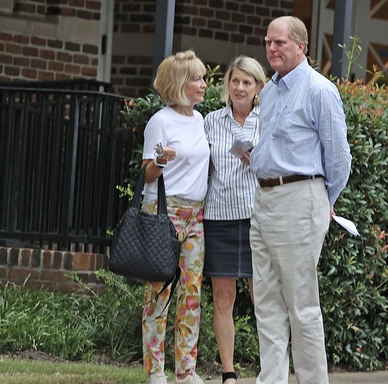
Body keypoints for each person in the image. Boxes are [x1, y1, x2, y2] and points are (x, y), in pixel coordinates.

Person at [249, 16, 352, 384]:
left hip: (300, 198)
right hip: (263, 200)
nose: (271, 49)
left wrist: (324, 201)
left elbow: (339, 160)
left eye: (279, 43)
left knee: (302, 306)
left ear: (301, 46)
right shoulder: (272, 90)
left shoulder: (319, 90)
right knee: (266, 303)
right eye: (268, 42)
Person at [140, 50, 210, 384]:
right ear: (180, 83)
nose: (204, 84)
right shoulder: (160, 122)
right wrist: (162, 161)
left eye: (204, 78)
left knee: (192, 292)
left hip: (196, 214)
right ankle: (155, 371)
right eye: (197, 78)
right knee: (159, 292)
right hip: (163, 212)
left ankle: (187, 371)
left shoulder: (199, 120)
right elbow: (148, 175)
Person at [203, 56, 267, 384]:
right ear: (227, 84)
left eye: (248, 82)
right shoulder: (211, 121)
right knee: (223, 297)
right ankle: (228, 372)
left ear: (258, 88)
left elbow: (283, 169)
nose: (240, 87)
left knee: (263, 297)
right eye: (235, 80)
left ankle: (270, 369)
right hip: (219, 218)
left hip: (258, 219)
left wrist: (259, 161)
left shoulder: (269, 120)